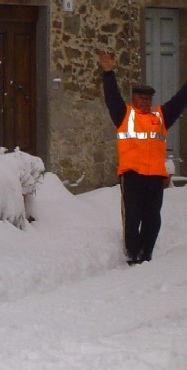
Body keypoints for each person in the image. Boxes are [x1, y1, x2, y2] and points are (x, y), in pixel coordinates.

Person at [98, 52, 187, 265]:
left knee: (152, 218)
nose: (145, 101)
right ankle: (132, 253)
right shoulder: (124, 115)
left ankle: (146, 254)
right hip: (132, 175)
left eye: (148, 98)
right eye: (141, 98)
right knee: (132, 216)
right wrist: (108, 73)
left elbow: (179, 101)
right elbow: (112, 98)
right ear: (133, 99)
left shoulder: (160, 116)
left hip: (155, 176)